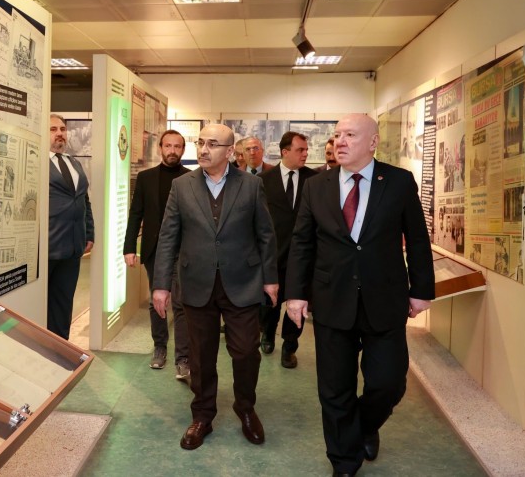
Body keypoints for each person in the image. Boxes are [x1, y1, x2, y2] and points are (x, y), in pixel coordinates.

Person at [285, 113, 434, 477]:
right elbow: (302, 243)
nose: (340, 141)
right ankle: (344, 461)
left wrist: (421, 290)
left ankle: (364, 425)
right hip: (332, 298)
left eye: (350, 135)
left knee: (388, 382)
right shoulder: (316, 186)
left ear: (373, 142)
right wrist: (296, 294)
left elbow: (417, 239)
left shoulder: (398, 182)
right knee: (334, 388)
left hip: (384, 298)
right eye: (337, 135)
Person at [154, 123, 278, 450]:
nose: (203, 149)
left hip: (243, 282)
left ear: (229, 151)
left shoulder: (250, 185)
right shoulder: (182, 186)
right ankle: (202, 415)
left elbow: (265, 234)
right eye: (200, 142)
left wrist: (270, 278)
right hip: (196, 282)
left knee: (246, 351)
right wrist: (161, 285)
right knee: (201, 355)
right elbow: (168, 237)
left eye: (212, 144)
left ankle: (245, 408)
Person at [123, 130, 191, 379]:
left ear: (183, 150)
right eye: (168, 146)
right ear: (160, 148)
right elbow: (135, 214)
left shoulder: (192, 178)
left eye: (177, 146)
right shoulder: (145, 178)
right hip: (154, 249)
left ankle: (183, 358)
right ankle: (160, 347)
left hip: (183, 250)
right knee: (157, 301)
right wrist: (129, 247)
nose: (172, 150)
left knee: (181, 303)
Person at [258, 131, 316, 368]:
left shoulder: (315, 180)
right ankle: (267, 333)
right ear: (285, 152)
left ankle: (289, 346)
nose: (305, 154)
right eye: (300, 150)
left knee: (298, 302)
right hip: (273, 255)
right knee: (269, 302)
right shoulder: (263, 180)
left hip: (303, 257)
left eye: (306, 150)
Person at [47, 113, 94, 340]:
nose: (60, 134)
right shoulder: (37, 162)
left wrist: (89, 233)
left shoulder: (73, 163)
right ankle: (44, 350)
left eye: (63, 129)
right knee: (43, 305)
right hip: (48, 247)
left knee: (64, 303)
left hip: (73, 247)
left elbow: (84, 200)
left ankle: (61, 346)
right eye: (53, 129)